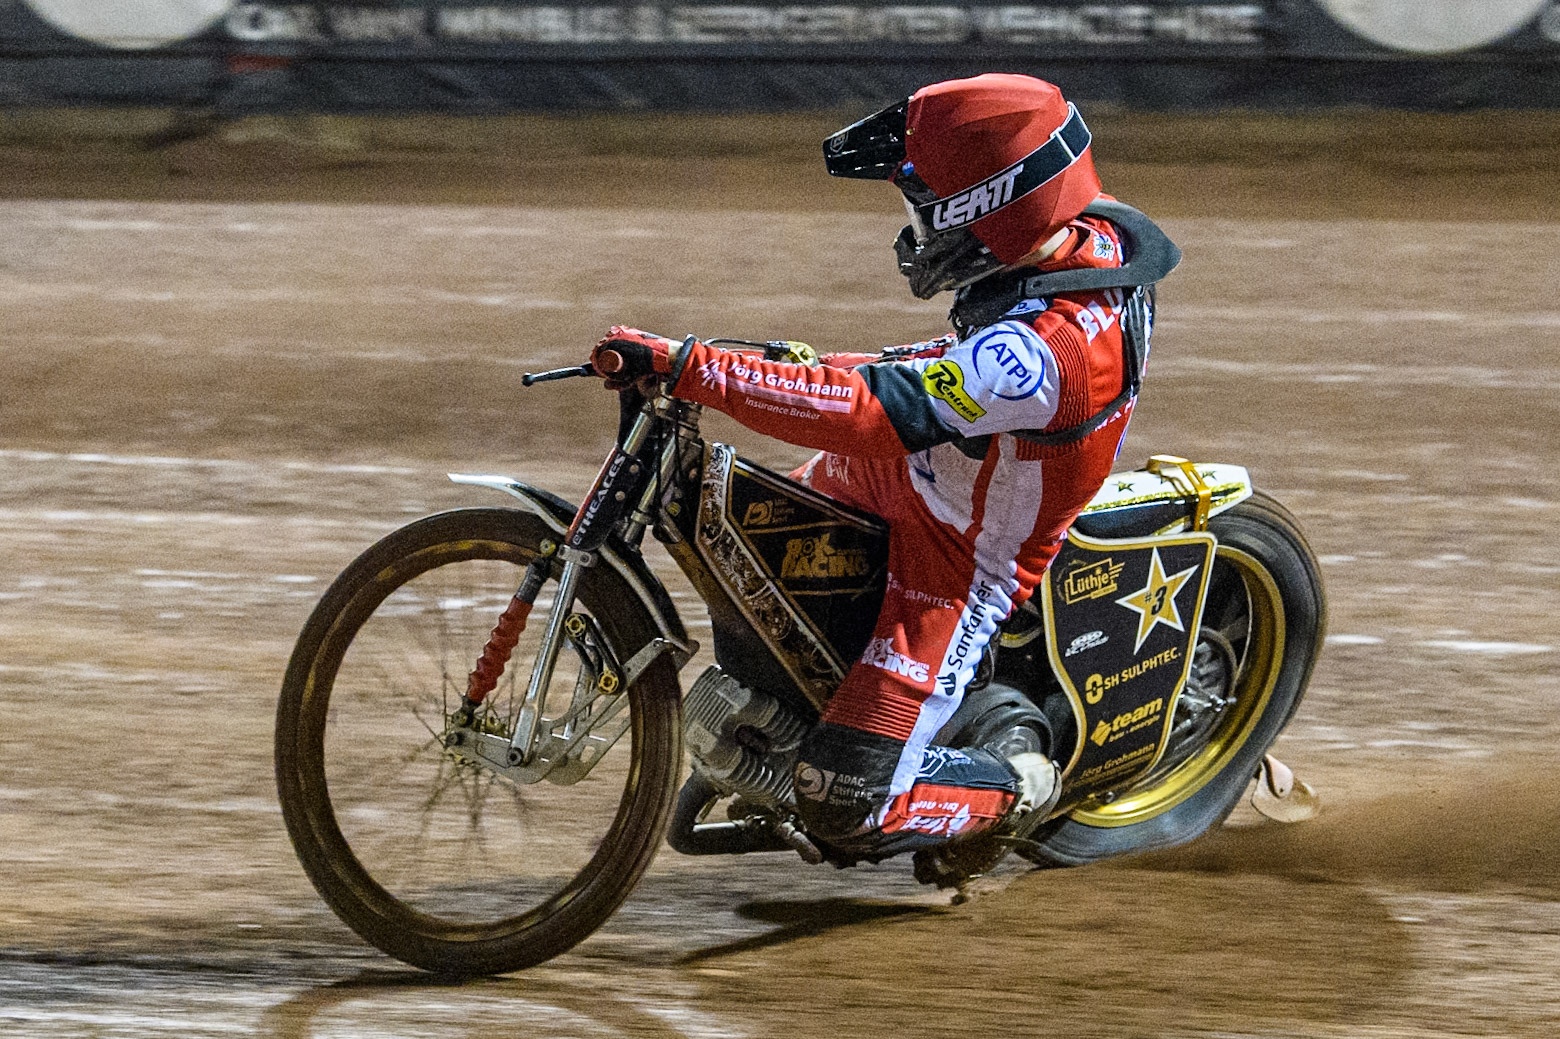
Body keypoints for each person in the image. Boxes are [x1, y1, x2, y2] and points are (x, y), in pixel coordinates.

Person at [590, 73, 1175, 875]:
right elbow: (937, 373)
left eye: (929, 207)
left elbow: (879, 410)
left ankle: (1018, 787)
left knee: (841, 798)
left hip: (956, 557)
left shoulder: (1051, 353)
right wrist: (819, 365)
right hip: (902, 473)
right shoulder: (1072, 239)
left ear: (992, 209)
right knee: (747, 550)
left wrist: (698, 368)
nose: (915, 228)